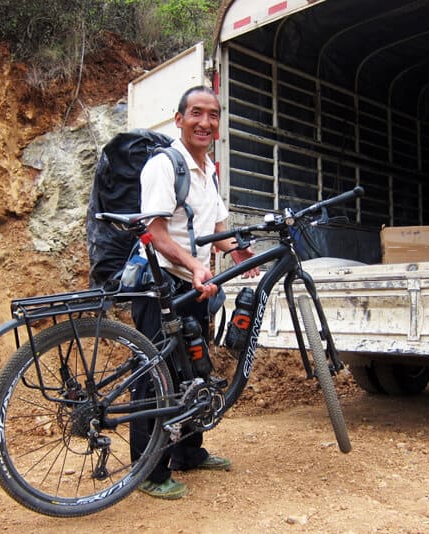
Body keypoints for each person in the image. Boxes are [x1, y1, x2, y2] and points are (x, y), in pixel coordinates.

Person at [129, 86, 259, 500]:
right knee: (155, 376)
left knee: (193, 371)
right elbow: (156, 233)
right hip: (158, 283)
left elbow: (217, 232)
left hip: (194, 285)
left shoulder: (209, 170)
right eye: (196, 114)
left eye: (213, 115)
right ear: (179, 119)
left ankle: (188, 452)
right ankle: (147, 471)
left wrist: (241, 252)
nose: (205, 122)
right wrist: (196, 265)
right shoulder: (164, 165)